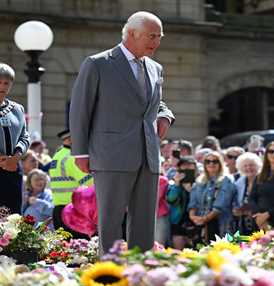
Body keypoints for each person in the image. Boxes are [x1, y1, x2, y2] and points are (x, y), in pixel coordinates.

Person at [69, 11, 175, 254]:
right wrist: (80, 153)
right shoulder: (97, 64)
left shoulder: (156, 68)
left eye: (159, 36)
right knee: (110, 222)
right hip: (111, 155)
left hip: (148, 155)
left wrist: (165, 115)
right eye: (151, 36)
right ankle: (110, 274)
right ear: (131, 34)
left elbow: (155, 103)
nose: (156, 42)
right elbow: (80, 110)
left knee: (145, 223)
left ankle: (142, 271)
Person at [0, 63, 30, 214]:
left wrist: (16, 157)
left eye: (6, 83)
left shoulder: (17, 109)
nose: (2, 86)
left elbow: (24, 136)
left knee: (13, 216)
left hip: (13, 168)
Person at [187, 151, 236, 244]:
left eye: (215, 161)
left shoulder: (227, 179)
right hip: (200, 224)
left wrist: (205, 219)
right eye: (208, 161)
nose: (211, 164)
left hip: (220, 223)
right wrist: (193, 217)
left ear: (220, 163)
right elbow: (193, 203)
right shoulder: (199, 180)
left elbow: (221, 204)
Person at [49, 129, 93, 231]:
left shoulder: (58, 155)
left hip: (58, 210)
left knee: (64, 245)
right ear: (70, 140)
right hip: (73, 211)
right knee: (80, 245)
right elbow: (89, 182)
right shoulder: (72, 157)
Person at [167, 156, 197, 249]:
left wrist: (191, 191)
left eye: (190, 168)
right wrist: (177, 184)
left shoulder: (200, 183)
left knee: (196, 251)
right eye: (184, 168)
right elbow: (171, 200)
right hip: (178, 222)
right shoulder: (173, 184)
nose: (187, 171)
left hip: (195, 221)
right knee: (178, 251)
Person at [232, 152, 263, 235]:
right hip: (244, 222)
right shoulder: (239, 183)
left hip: (260, 219)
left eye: (251, 165)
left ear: (257, 166)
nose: (248, 168)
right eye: (245, 166)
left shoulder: (263, 180)